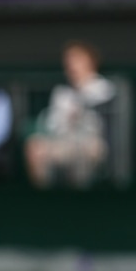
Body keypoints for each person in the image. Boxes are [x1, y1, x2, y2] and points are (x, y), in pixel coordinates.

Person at [24, 40, 116, 188]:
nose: (72, 66)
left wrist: (81, 114)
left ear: (91, 62)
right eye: (69, 61)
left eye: (77, 60)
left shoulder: (105, 90)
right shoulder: (61, 93)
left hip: (94, 144)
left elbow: (106, 128)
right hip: (63, 142)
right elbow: (51, 124)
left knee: (83, 150)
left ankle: (79, 203)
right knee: (35, 147)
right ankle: (44, 200)